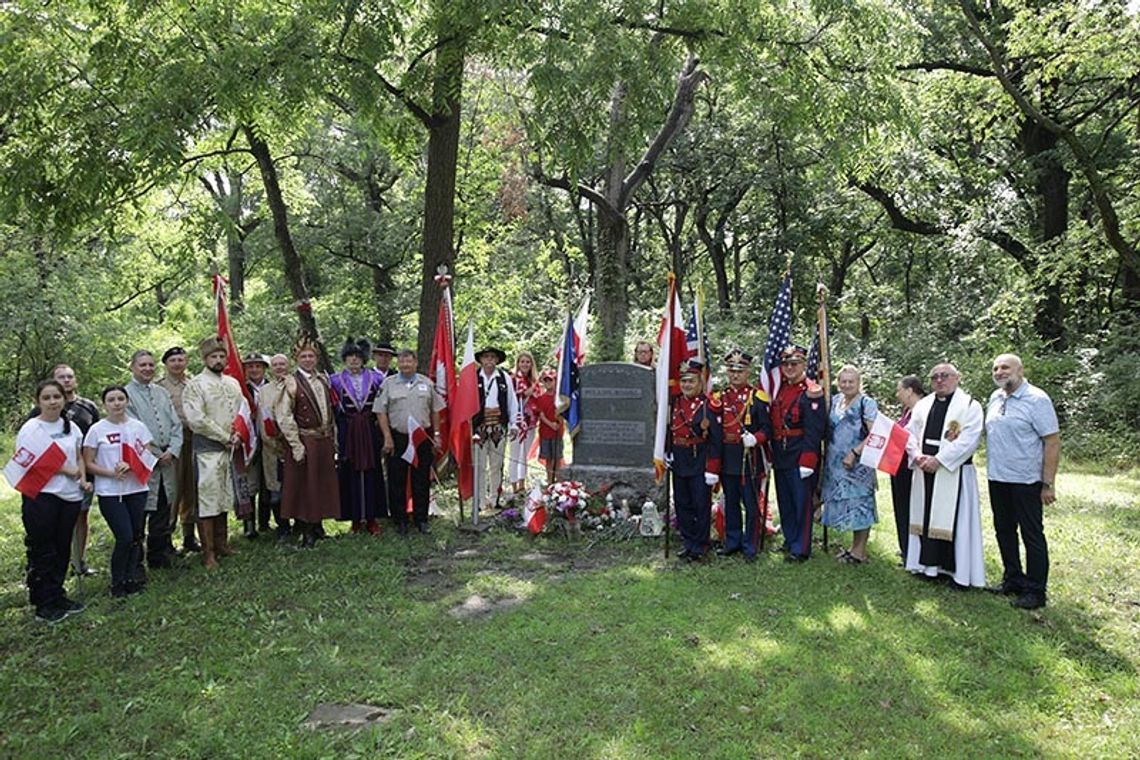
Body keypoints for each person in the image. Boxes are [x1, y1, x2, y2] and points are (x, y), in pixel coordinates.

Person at [985, 353, 1060, 610]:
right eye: (995, 368)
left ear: (1020, 370)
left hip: (1026, 480)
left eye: (1005, 367)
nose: (999, 372)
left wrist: (1047, 483)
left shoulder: (1037, 399)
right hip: (997, 477)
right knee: (1004, 530)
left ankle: (1036, 590)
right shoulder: (995, 398)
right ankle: (1013, 579)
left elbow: (1051, 441)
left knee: (1032, 535)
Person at [12, 380, 90, 622]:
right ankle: (43, 603)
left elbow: (78, 456)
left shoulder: (72, 427)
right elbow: (30, 461)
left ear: (64, 399)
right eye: (46, 397)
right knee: (42, 550)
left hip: (69, 496)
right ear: (38, 401)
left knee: (61, 547)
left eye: (56, 396)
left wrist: (83, 479)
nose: (53, 401)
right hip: (42, 497)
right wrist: (66, 471)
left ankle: (58, 595)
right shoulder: (31, 429)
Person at [904, 363, 986, 589]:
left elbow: (968, 441)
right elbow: (910, 433)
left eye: (945, 376)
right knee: (925, 515)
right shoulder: (923, 404)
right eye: (935, 377)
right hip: (924, 469)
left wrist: (939, 460)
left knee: (956, 520)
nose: (940, 380)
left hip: (954, 471)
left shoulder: (970, 405)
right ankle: (928, 567)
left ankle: (957, 572)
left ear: (957, 378)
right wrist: (918, 455)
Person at [28, 364, 100, 576]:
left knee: (81, 517)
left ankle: (79, 562)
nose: (67, 380)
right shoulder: (36, 417)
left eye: (70, 376)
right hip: (48, 485)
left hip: (83, 474)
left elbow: (93, 440)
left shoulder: (88, 407)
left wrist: (86, 474)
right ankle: (44, 568)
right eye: (61, 377)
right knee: (52, 526)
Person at [183, 338, 247, 569]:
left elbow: (241, 412)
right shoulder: (196, 385)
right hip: (207, 452)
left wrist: (238, 435)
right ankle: (208, 553)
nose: (218, 360)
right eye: (213, 357)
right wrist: (224, 437)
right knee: (207, 501)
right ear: (204, 359)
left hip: (230, 450)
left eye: (221, 356)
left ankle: (222, 544)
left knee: (224, 498)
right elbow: (196, 419)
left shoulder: (233, 383)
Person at [84, 386, 152, 598]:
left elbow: (147, 455)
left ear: (127, 401)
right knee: (124, 536)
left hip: (137, 488)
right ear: (105, 404)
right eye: (111, 399)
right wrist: (110, 473)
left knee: (136, 536)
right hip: (110, 492)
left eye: (120, 399)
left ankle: (131, 578)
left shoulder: (138, 427)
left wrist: (132, 465)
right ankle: (117, 581)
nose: (116, 403)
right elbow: (88, 463)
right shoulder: (97, 430)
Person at [275, 336, 340, 548]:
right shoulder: (291, 382)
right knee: (304, 486)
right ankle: (306, 532)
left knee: (320, 484)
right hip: (306, 440)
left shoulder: (323, 379)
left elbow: (330, 412)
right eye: (303, 356)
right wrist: (296, 445)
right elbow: (284, 417)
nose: (308, 359)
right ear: (296, 359)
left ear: (316, 358)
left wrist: (334, 439)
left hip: (323, 439)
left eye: (311, 356)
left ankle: (319, 526)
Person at [374, 349, 444, 535]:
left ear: (415, 363)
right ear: (398, 364)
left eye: (409, 362)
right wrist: (387, 437)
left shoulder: (426, 383)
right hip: (398, 437)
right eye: (402, 362)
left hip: (421, 438)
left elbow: (435, 409)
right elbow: (380, 411)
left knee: (421, 479)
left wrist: (436, 434)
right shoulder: (388, 384)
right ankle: (400, 520)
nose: (405, 365)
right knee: (396, 480)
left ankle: (421, 519)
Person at [125, 349, 183, 571]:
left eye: (151, 365)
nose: (147, 369)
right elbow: (132, 431)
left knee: (163, 509)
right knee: (140, 512)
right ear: (133, 367)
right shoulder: (126, 394)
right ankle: (136, 561)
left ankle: (158, 557)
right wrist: (155, 456)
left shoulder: (161, 392)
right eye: (143, 365)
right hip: (143, 464)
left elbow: (176, 424)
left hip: (168, 460)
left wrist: (174, 450)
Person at [769, 345, 826, 562]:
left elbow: (815, 430)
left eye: (794, 364)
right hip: (781, 453)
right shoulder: (780, 388)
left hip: (800, 453)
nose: (789, 368)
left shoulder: (811, 391)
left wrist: (809, 460)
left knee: (802, 502)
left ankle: (801, 548)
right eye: (786, 364)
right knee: (785, 500)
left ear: (803, 364)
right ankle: (790, 539)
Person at [714, 350, 771, 563]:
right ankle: (732, 542)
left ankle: (750, 545)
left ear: (748, 372)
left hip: (750, 459)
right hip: (728, 459)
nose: (735, 374)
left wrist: (756, 438)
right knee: (731, 504)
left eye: (740, 370)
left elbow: (768, 429)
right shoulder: (720, 397)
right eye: (732, 370)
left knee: (751, 504)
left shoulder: (757, 397)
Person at [821, 365, 879, 564]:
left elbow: (875, 434)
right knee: (846, 504)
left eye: (851, 381)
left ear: (858, 383)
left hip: (858, 465)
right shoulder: (835, 400)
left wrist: (855, 453)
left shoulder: (866, 403)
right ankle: (853, 548)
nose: (846, 385)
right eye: (843, 381)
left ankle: (859, 552)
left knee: (861, 506)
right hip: (835, 465)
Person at [330, 338, 387, 535]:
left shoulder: (376, 378)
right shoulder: (334, 381)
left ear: (363, 359)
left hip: (370, 429)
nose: (353, 360)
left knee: (372, 471)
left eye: (357, 357)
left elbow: (383, 406)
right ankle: (354, 518)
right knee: (350, 471)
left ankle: (372, 518)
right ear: (344, 359)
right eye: (349, 357)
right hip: (348, 429)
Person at [669, 360, 722, 562]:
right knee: (682, 503)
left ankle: (701, 544)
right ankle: (688, 542)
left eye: (691, 381)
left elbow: (715, 440)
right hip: (679, 458)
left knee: (700, 504)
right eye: (684, 382)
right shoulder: (674, 403)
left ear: (700, 382)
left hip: (699, 458)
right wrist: (667, 452)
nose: (687, 385)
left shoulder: (710, 405)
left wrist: (713, 468)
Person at [157, 346, 200, 553]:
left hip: (194, 440)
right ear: (165, 364)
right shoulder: (159, 387)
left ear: (186, 362)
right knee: (172, 489)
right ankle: (166, 537)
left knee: (191, 488)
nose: (177, 364)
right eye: (173, 360)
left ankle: (189, 536)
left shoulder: (194, 384)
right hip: (173, 443)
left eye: (181, 360)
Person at [472, 346, 518, 513]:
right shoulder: (473, 377)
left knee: (497, 465)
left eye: (493, 357)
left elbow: (512, 402)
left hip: (499, 426)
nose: (489, 360)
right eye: (486, 357)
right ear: (481, 360)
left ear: (497, 360)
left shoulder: (504, 377)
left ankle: (494, 499)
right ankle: (480, 500)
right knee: (479, 465)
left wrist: (514, 424)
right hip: (479, 427)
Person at [240, 351, 275, 540]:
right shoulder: (240, 389)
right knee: (250, 484)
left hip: (271, 441)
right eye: (250, 366)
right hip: (249, 442)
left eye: (258, 366)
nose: (254, 369)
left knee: (270, 482)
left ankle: (266, 522)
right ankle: (249, 524)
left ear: (264, 369)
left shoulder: (273, 387)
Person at [255, 353, 290, 537]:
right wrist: (273, 442)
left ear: (288, 365)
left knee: (296, 486)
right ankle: (282, 526)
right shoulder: (264, 391)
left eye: (282, 364)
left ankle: (302, 523)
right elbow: (263, 419)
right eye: (275, 364)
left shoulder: (296, 384)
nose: (279, 367)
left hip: (295, 446)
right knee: (276, 488)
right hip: (272, 447)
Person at [891, 375, 925, 564]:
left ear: (910, 390)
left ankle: (913, 551)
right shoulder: (907, 411)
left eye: (900, 390)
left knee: (910, 508)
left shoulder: (922, 410)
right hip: (898, 465)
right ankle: (905, 547)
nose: (898, 394)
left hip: (911, 467)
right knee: (901, 507)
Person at [508, 350, 539, 499]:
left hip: (531, 423)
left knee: (524, 455)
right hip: (516, 422)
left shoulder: (535, 381)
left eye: (528, 362)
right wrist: (527, 392)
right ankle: (513, 484)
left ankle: (522, 483)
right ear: (518, 363)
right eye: (522, 361)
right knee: (514, 454)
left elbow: (538, 399)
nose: (525, 364)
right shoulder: (512, 379)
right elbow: (513, 396)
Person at [532, 369, 563, 485]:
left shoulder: (560, 398)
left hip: (557, 432)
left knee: (557, 458)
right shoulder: (541, 398)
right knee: (548, 458)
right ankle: (550, 481)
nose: (548, 383)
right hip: (545, 431)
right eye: (546, 381)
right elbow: (541, 415)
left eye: (551, 380)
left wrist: (558, 424)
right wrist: (551, 424)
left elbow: (562, 412)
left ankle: (559, 482)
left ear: (555, 381)